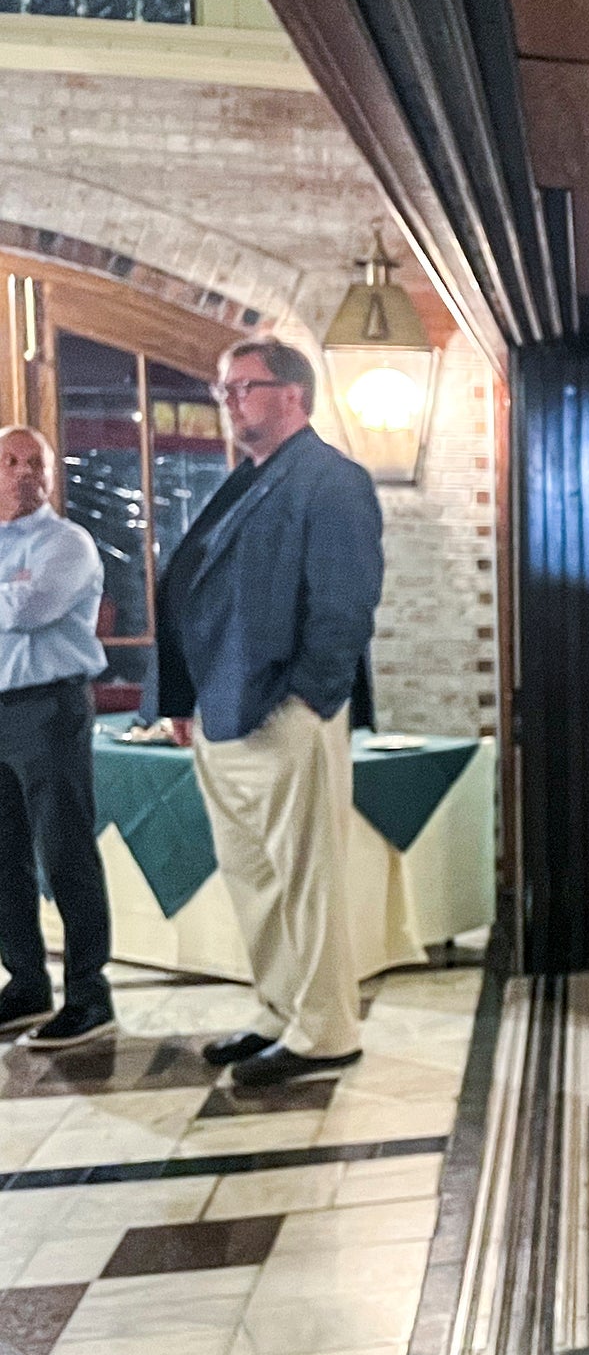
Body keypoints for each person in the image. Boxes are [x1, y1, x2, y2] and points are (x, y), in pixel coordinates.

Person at [149, 338, 384, 1089]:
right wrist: (179, 700)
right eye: (223, 389)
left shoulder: (331, 479)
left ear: (291, 394)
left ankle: (326, 1032)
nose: (228, 401)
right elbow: (190, 589)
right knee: (253, 876)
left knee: (305, 878)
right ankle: (281, 1011)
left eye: (241, 387)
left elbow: (345, 605)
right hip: (222, 714)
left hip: (285, 713)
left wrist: (308, 700)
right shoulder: (243, 480)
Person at [0, 427, 113, 1050]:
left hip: (49, 710)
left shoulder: (67, 542)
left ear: (48, 473)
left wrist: (13, 593)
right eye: (9, 461)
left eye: (32, 462)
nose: (21, 471)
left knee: (64, 852)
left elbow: (28, 610)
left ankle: (89, 995)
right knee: (3, 860)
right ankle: (25, 986)